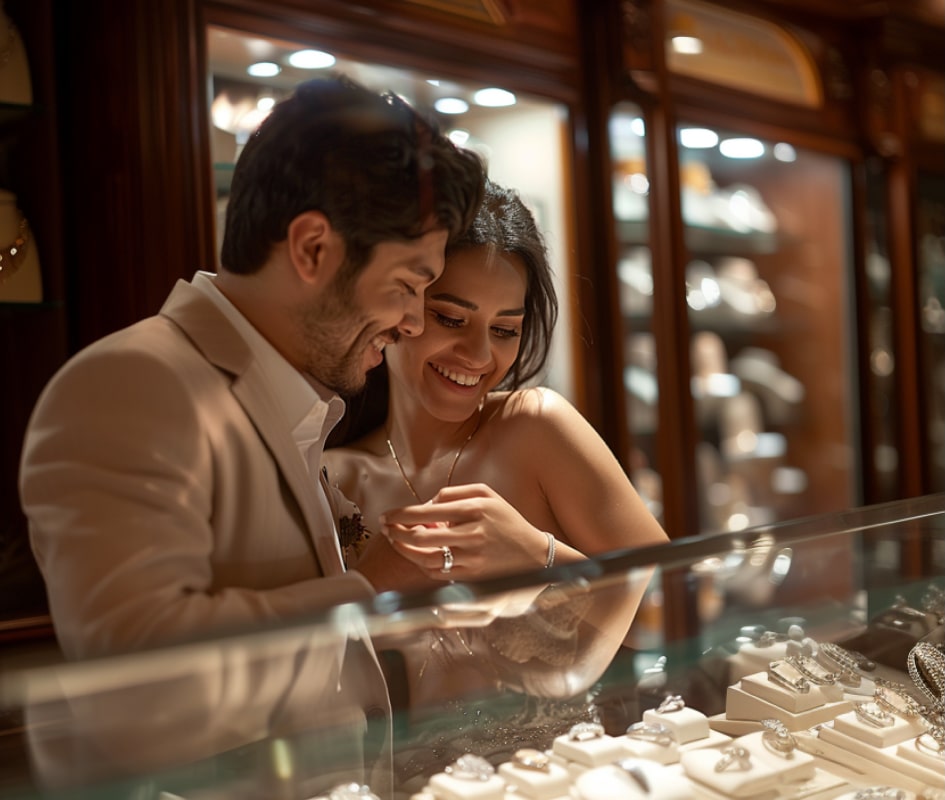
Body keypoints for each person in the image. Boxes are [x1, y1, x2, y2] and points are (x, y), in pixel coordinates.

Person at [18, 75, 485, 795]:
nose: (414, 322)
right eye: (407, 284)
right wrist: (373, 590)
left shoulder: (295, 396)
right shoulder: (130, 384)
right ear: (312, 248)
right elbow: (142, 696)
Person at [323, 181, 669, 773]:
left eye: (505, 329)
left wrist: (538, 560)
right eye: (451, 318)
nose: (479, 354)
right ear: (399, 307)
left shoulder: (535, 427)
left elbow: (674, 612)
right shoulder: (336, 475)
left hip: (550, 781)